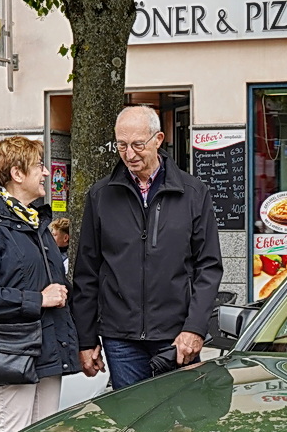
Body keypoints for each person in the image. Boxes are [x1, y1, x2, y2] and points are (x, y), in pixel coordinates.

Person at [71, 105, 224, 390]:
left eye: (138, 145)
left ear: (159, 139)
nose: (130, 155)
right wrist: (86, 338)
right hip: (120, 338)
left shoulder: (193, 193)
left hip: (177, 336)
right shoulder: (100, 195)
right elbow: (86, 272)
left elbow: (209, 267)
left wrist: (195, 328)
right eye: (122, 145)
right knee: (131, 427)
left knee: (181, 430)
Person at [0, 137, 79, 432]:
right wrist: (39, 299)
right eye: (39, 166)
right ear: (17, 173)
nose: (45, 173)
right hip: (11, 352)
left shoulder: (36, 221)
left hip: (47, 350)